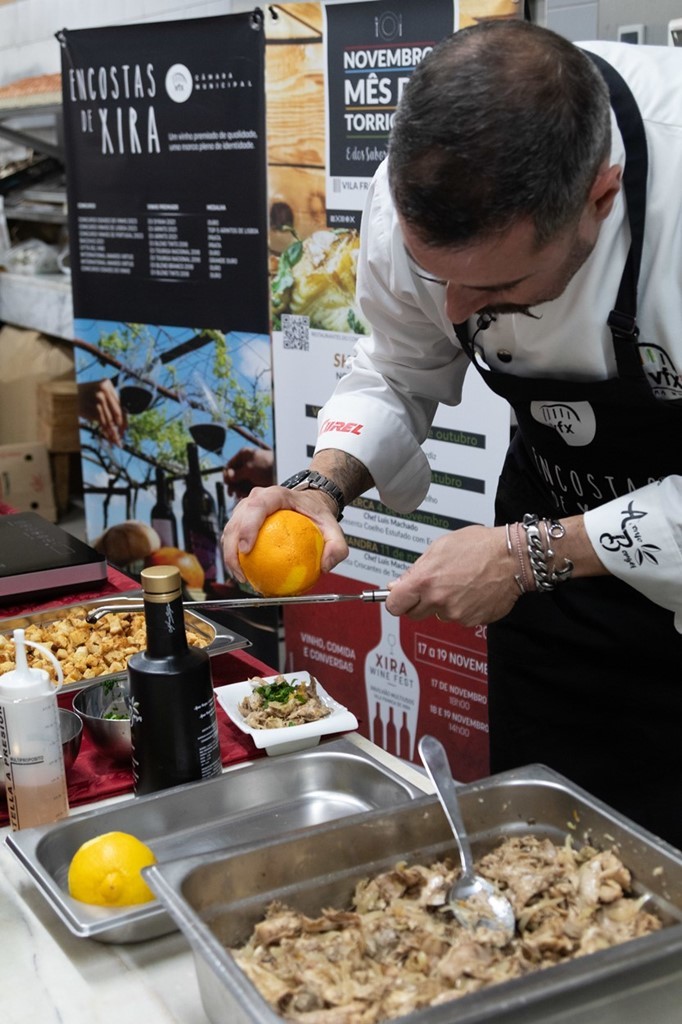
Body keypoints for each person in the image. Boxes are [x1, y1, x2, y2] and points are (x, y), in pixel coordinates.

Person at [224, 20, 682, 846]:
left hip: (566, 565)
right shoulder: (419, 190)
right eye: (441, 279)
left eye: (500, 286)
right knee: (553, 866)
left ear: (600, 198)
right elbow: (400, 367)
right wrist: (324, 482)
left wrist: (524, 553)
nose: (459, 315)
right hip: (556, 622)